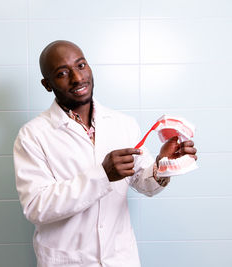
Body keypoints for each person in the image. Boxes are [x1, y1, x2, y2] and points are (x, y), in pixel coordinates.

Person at [13, 40, 197, 267]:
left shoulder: (122, 123)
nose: (78, 78)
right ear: (47, 84)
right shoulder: (33, 135)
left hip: (120, 259)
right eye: (62, 73)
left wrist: (164, 164)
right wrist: (102, 175)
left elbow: (144, 182)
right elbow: (36, 207)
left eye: (81, 66)